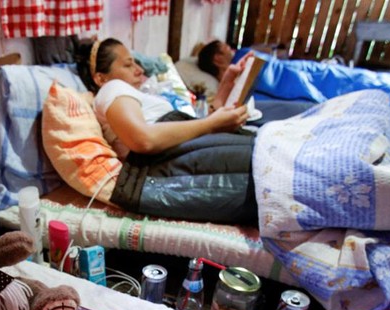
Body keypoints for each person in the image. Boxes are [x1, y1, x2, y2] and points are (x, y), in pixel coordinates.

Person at [75, 38, 312, 224]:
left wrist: (227, 84)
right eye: (128, 64)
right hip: (163, 164)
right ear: (100, 77)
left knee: (285, 138)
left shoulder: (138, 95)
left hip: (184, 149)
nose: (138, 69)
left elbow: (190, 129)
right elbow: (142, 139)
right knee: (281, 154)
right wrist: (211, 125)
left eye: (136, 62)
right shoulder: (111, 88)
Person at [197, 39, 390, 104]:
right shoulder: (241, 66)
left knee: (375, 81)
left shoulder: (245, 60)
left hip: (314, 74)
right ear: (218, 57)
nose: (232, 48)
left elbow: (277, 72)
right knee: (377, 85)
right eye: (225, 47)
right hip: (316, 81)